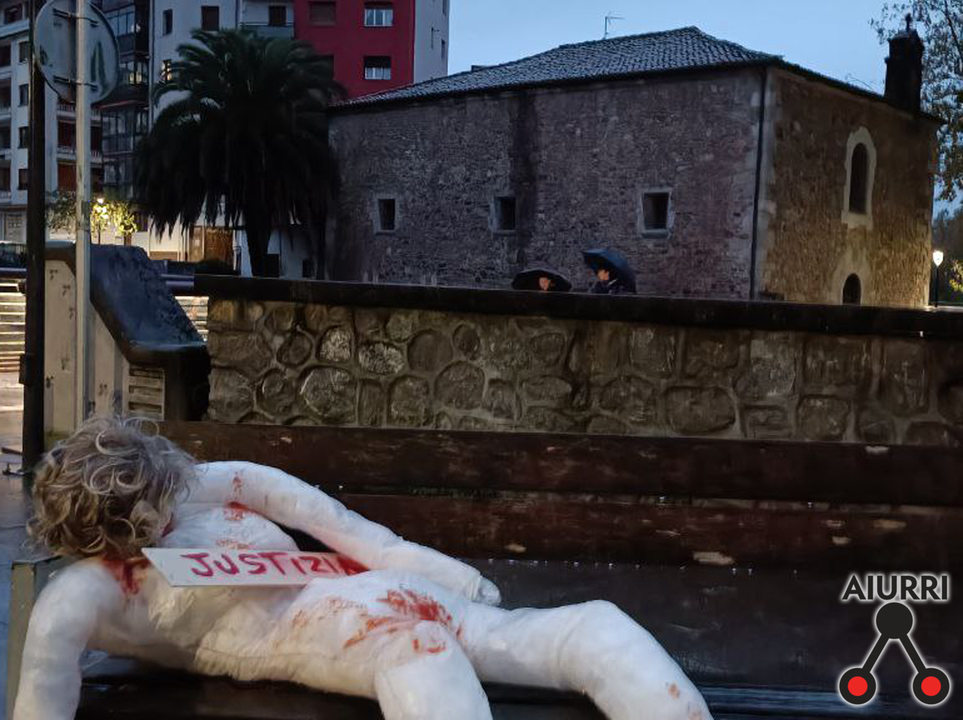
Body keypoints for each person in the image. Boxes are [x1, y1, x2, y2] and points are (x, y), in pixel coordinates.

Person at [14, 417, 712, 720]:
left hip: (368, 589)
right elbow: (45, 678)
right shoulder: (88, 593)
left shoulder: (192, 490)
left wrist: (441, 572)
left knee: (593, 630)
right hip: (319, 632)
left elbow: (331, 521)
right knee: (423, 650)